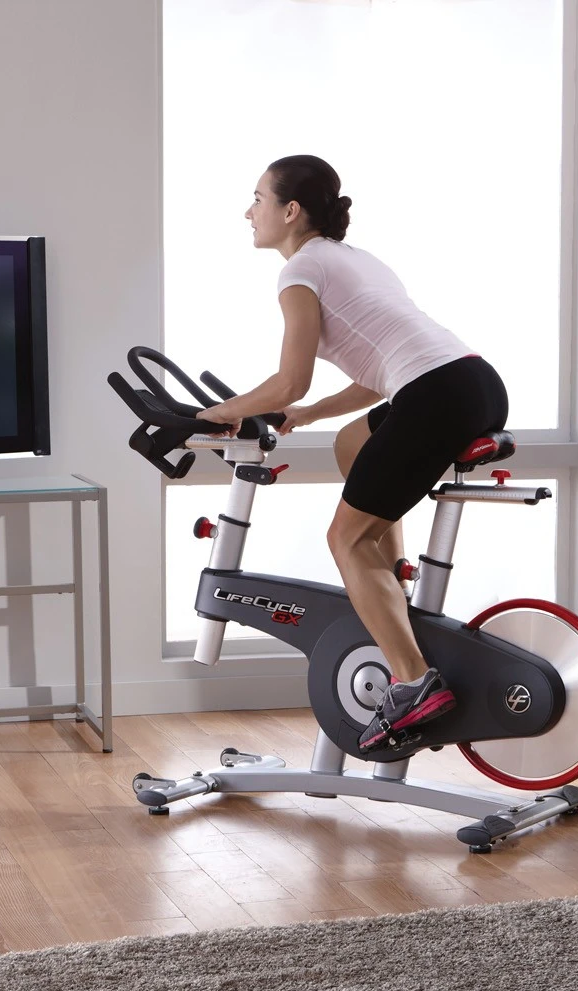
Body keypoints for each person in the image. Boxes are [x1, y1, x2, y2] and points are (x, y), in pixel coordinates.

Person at [196, 155, 508, 752]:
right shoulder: (355, 260)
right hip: (474, 381)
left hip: (436, 394)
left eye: (257, 199)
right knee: (352, 442)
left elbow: (290, 381)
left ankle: (415, 683)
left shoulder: (299, 271)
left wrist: (219, 412)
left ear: (291, 210)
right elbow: (378, 372)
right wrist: (311, 415)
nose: (248, 212)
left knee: (344, 539)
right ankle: (391, 584)